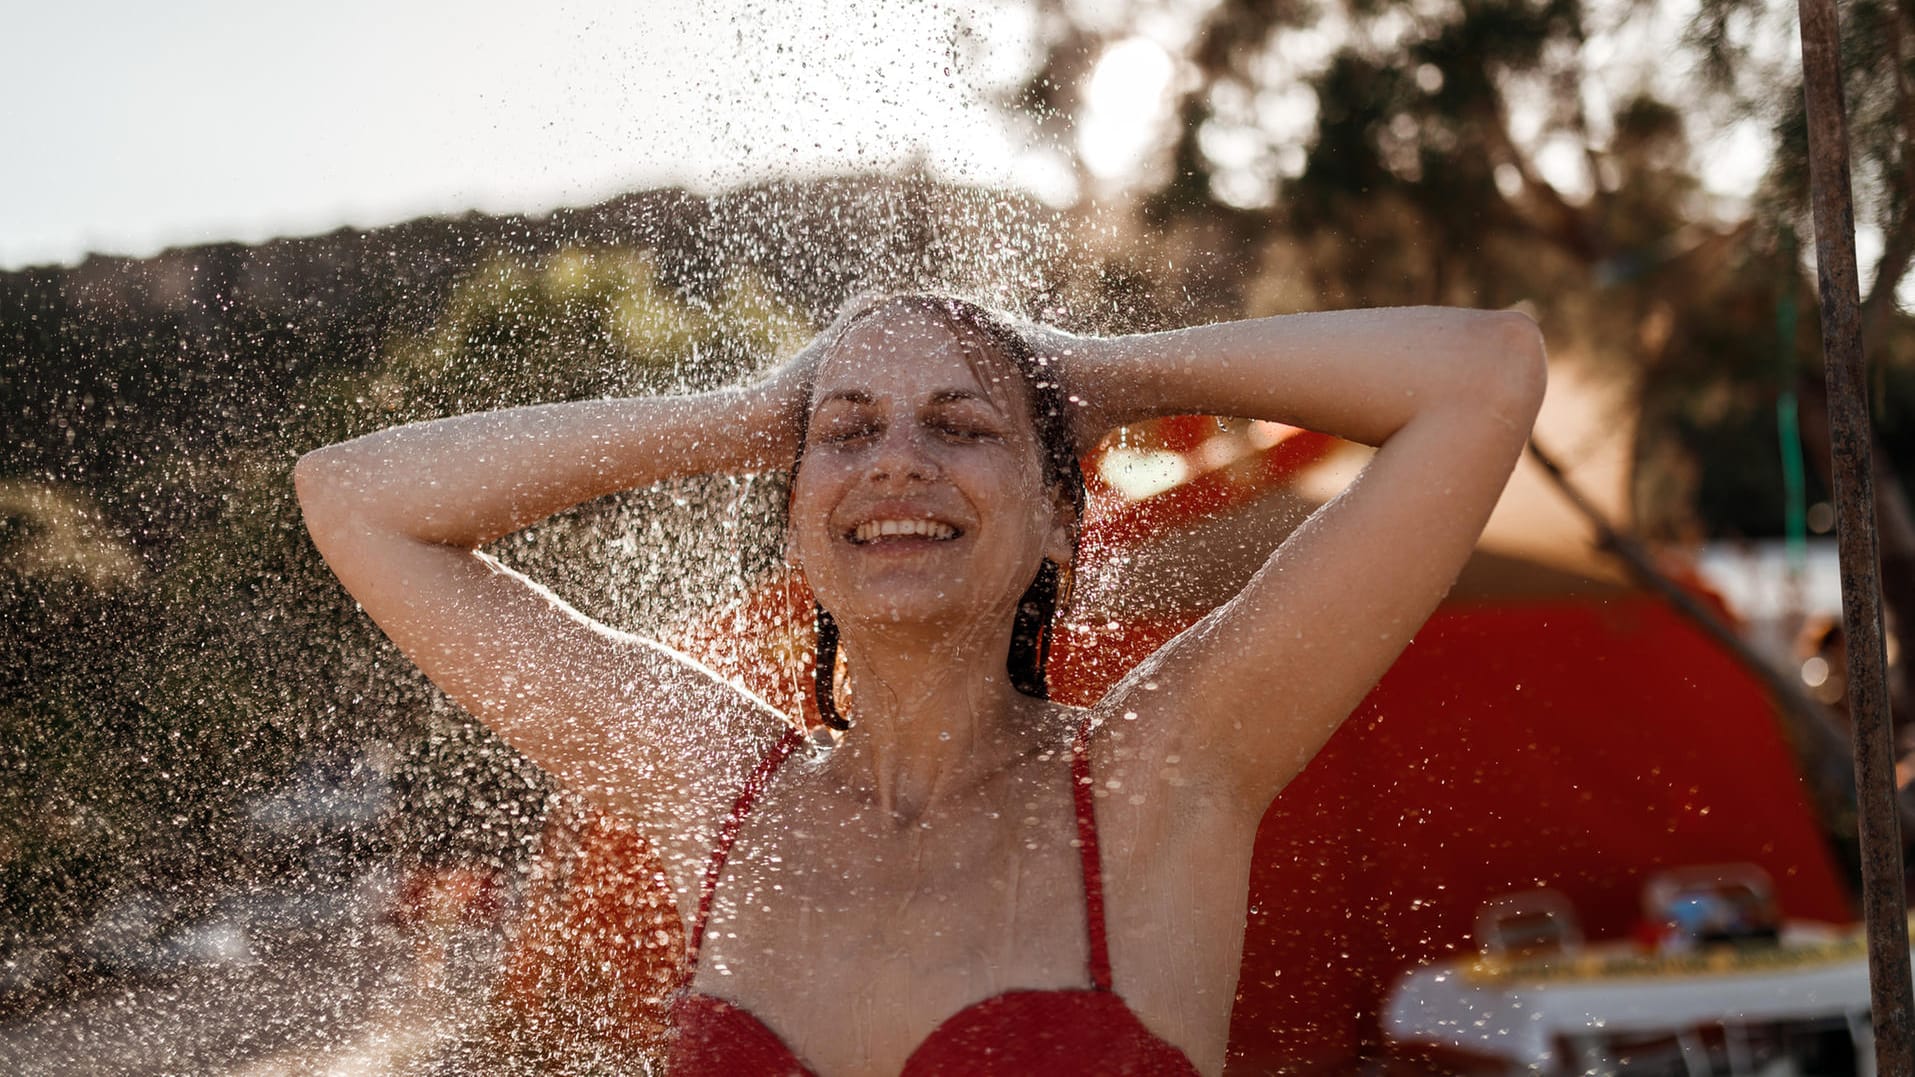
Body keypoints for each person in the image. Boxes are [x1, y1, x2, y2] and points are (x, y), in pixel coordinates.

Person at [296, 292, 1547, 1075]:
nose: (895, 462)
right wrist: (754, 413)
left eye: (961, 426)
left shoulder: (1157, 772)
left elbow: (1482, 372)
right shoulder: (725, 792)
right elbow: (354, 500)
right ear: (794, 520)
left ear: (1063, 516)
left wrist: (1086, 373)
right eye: (848, 433)